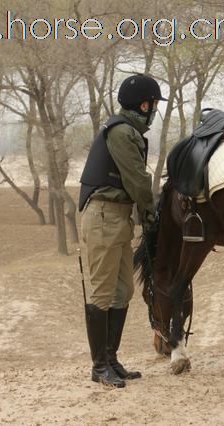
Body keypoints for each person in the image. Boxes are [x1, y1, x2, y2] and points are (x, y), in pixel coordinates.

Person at [78, 74, 167, 387]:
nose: (154, 110)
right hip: (103, 215)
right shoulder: (120, 131)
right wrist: (150, 211)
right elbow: (137, 179)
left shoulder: (129, 130)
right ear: (143, 104)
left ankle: (111, 359)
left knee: (123, 290)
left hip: (118, 217)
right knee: (102, 291)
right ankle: (99, 366)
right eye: (153, 105)